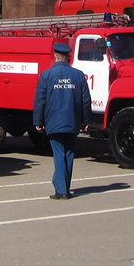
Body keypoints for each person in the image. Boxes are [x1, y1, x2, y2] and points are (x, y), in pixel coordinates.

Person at [33, 42, 92, 200]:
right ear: (68, 57)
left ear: (55, 56)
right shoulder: (78, 75)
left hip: (53, 121)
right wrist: (86, 119)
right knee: (69, 154)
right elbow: (85, 99)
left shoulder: (46, 75)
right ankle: (65, 186)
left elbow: (40, 100)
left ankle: (61, 190)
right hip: (72, 121)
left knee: (59, 154)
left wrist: (38, 121)